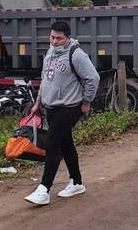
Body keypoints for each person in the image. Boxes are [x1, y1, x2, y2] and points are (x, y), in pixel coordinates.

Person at [24, 21, 100, 205]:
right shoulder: (50, 53)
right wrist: (38, 102)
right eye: (52, 37)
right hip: (51, 107)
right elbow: (45, 79)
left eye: (59, 38)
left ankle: (44, 189)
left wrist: (86, 101)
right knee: (66, 144)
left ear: (67, 38)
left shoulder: (76, 54)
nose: (55, 41)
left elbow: (93, 78)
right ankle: (77, 182)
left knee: (52, 143)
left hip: (70, 107)